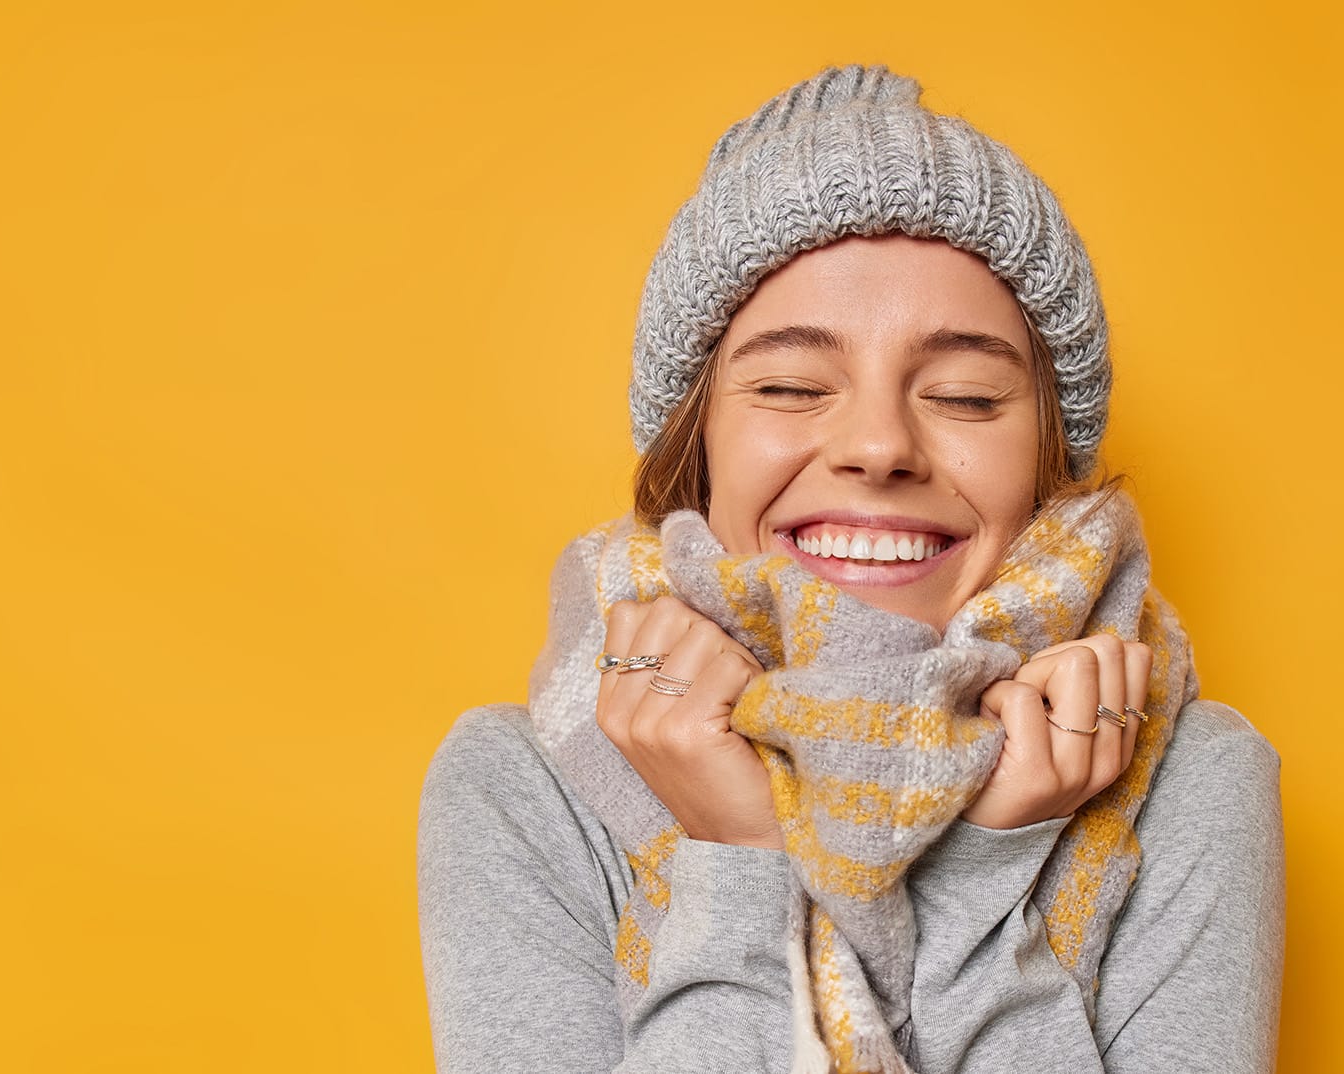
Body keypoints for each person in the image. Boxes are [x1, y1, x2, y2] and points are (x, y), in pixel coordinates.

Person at [418, 64, 1285, 1073]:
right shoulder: (523, 788)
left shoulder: (1188, 780)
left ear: (1046, 458)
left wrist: (976, 893)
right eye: (791, 385)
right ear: (697, 447)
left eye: (964, 396)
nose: (880, 445)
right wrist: (734, 869)